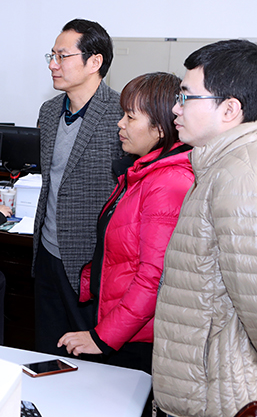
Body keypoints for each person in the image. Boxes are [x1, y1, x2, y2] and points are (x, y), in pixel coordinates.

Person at [57, 73, 193, 377]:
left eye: (130, 117)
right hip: (120, 322)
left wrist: (103, 337)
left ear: (160, 128)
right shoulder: (142, 172)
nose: (120, 124)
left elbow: (153, 276)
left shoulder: (167, 183)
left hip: (138, 337)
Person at [152, 40, 257, 417]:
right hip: (203, 386)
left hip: (219, 395)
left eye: (186, 96)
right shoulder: (220, 167)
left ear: (229, 109)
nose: (175, 108)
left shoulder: (241, 177)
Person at [33, 19, 124, 355]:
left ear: (94, 62)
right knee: (47, 351)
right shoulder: (49, 111)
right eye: (52, 56)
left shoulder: (120, 114)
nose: (53, 65)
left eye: (62, 56)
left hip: (91, 263)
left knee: (89, 360)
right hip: (47, 252)